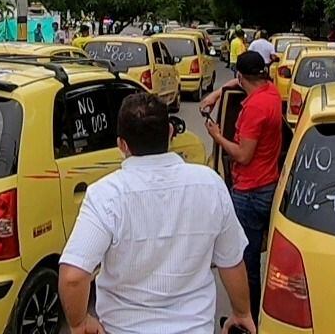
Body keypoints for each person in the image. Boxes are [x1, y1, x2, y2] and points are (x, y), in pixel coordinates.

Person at [60, 93, 256, 334]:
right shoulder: (210, 185)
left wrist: (79, 323)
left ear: (122, 145)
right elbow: (231, 259)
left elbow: (72, 277)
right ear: (170, 133)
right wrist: (242, 312)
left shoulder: (105, 195)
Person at [202, 51, 282, 323]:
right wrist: (217, 94)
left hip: (249, 190)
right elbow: (240, 83)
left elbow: (242, 155)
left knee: (244, 262)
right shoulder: (271, 93)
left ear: (239, 74)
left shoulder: (255, 108)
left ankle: (248, 318)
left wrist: (216, 136)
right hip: (268, 183)